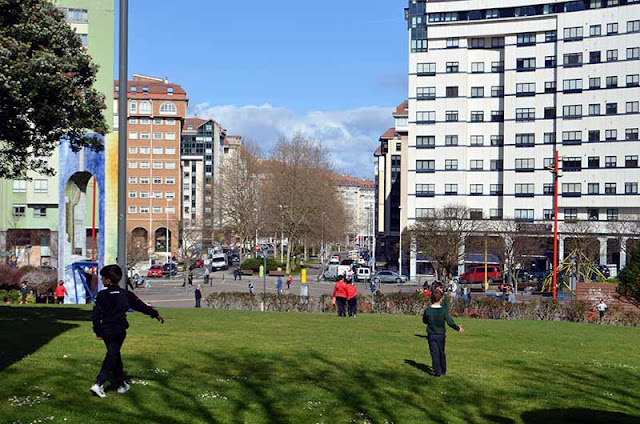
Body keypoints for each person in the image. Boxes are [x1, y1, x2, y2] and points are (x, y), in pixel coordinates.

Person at [91, 264, 164, 398]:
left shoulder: (101, 295)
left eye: (102, 278)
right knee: (112, 355)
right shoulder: (126, 294)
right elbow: (141, 306)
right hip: (119, 330)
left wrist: (98, 331)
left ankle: (121, 384)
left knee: (114, 355)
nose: (101, 280)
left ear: (108, 280)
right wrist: (154, 314)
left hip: (106, 330)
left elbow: (95, 315)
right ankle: (99, 383)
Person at [422, 284, 464, 377]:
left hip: (431, 334)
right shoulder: (443, 311)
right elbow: (450, 322)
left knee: (434, 353)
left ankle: (437, 372)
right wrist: (458, 328)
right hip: (441, 335)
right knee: (441, 352)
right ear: (441, 299)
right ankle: (443, 369)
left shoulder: (428, 310)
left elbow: (424, 321)